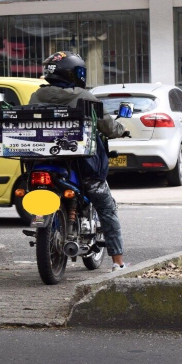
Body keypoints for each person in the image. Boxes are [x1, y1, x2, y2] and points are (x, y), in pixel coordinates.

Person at [29, 52, 131, 272]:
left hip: (42, 162)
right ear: (73, 73)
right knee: (107, 208)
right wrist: (121, 130)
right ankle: (118, 263)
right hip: (82, 166)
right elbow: (108, 127)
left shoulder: (36, 97)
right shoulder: (86, 97)